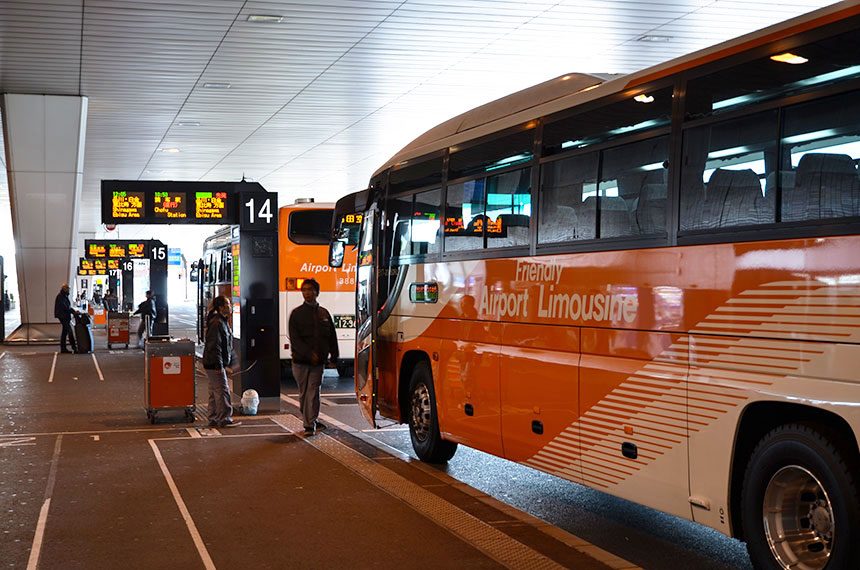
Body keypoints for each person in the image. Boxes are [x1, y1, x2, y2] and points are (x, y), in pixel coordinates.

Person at [288, 278, 339, 435]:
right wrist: (310, 354)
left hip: (318, 363)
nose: (307, 292)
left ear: (317, 292)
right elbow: (295, 339)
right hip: (300, 362)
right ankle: (309, 419)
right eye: (304, 290)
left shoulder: (324, 313)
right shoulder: (296, 314)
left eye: (310, 289)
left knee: (313, 392)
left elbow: (332, 336)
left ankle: (310, 423)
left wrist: (334, 356)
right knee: (304, 393)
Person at [202, 295, 240, 428]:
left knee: (214, 392)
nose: (230, 306)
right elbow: (215, 345)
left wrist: (230, 361)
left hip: (211, 362)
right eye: (228, 304)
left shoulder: (219, 321)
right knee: (223, 390)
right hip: (214, 363)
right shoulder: (218, 322)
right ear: (221, 307)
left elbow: (225, 345)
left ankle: (213, 418)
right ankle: (224, 419)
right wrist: (220, 365)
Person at [53, 284, 78, 353]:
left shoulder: (63, 296)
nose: (69, 291)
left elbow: (67, 307)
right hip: (63, 316)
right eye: (68, 290)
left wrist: (73, 311)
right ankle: (74, 348)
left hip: (65, 316)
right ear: (65, 289)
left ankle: (63, 348)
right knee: (70, 331)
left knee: (64, 332)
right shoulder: (61, 297)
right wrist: (73, 311)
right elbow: (65, 307)